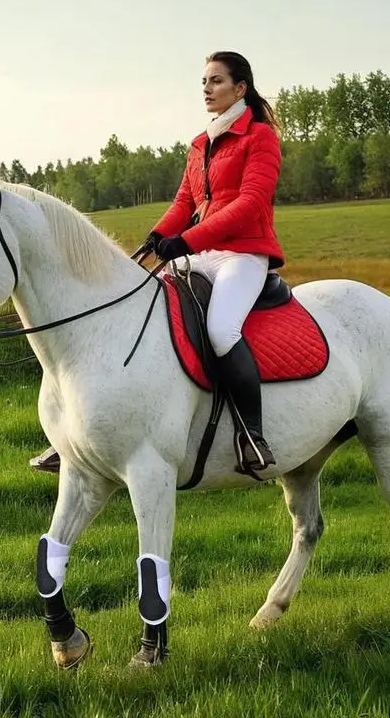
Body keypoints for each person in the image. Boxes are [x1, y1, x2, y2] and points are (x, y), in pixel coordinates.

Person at [30, 51, 285, 474]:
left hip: (243, 254)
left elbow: (248, 204)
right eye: (204, 81)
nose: (207, 88)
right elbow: (185, 202)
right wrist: (159, 234)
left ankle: (251, 434)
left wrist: (185, 240)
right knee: (139, 310)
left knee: (222, 330)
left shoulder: (259, 137)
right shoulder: (200, 144)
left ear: (240, 89)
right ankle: (80, 437)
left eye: (216, 81)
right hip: (201, 252)